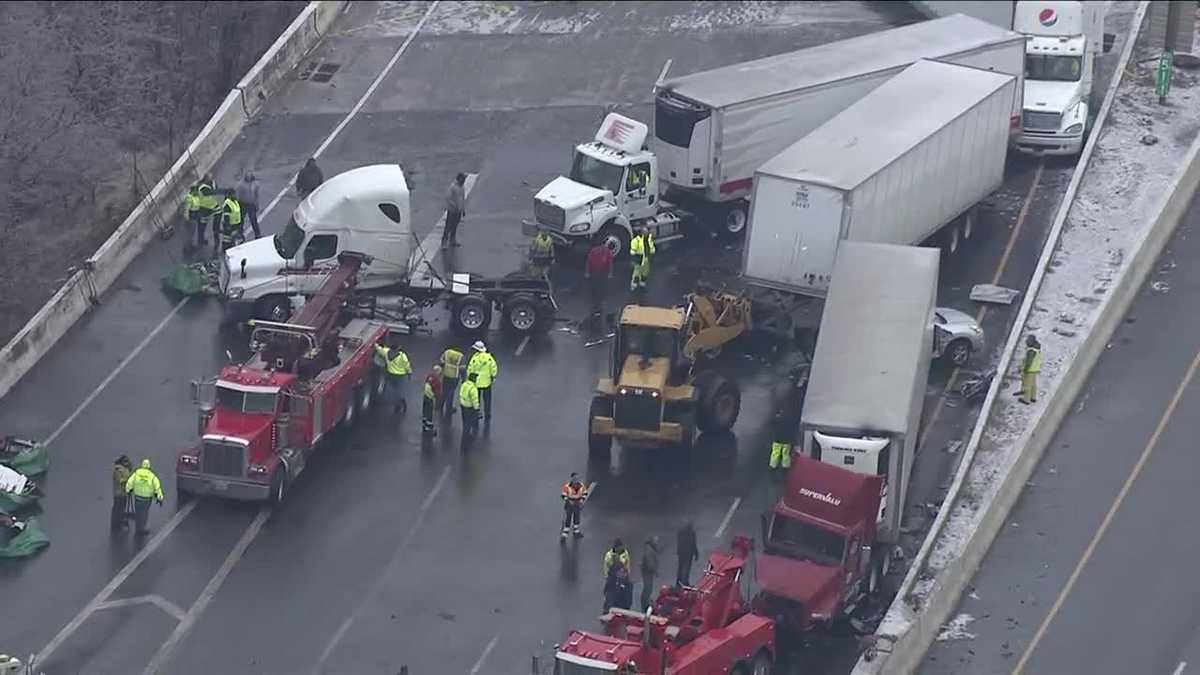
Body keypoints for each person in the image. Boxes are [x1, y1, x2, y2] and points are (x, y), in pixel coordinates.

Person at [125, 459, 164, 536]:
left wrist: (128, 490)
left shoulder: (137, 473)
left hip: (137, 497)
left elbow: (129, 482)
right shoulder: (152, 476)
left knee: (138, 513)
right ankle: (142, 528)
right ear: (149, 466)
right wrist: (160, 498)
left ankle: (138, 527)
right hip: (147, 499)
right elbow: (157, 487)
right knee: (144, 513)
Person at [374, 339, 412, 416]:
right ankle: (401, 403)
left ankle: (398, 404)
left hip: (390, 374)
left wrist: (375, 344)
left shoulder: (386, 352)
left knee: (393, 390)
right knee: (399, 390)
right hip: (400, 375)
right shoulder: (402, 356)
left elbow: (379, 349)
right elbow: (407, 365)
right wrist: (409, 373)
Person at [584, 240, 616, 322]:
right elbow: (588, 261)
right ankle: (595, 303)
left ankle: (600, 303)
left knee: (601, 288)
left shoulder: (607, 252)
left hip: (602, 273)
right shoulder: (594, 251)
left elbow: (610, 263)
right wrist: (587, 272)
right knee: (594, 288)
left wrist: (610, 273)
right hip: (594, 272)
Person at [467, 341, 498, 421]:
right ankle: (487, 414)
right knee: (487, 400)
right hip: (487, 383)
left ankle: (476, 413)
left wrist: (469, 378)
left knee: (477, 399)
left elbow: (470, 370)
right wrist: (493, 376)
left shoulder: (474, 358)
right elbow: (494, 368)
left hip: (476, 383)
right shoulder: (489, 358)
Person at [442, 172, 467, 249]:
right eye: (463, 179)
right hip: (452, 210)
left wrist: (463, 209)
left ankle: (452, 240)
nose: (464, 180)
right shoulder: (453, 187)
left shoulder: (462, 188)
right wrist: (454, 206)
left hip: (458, 211)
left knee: (455, 226)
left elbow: (462, 199)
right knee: (448, 226)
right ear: (459, 179)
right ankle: (444, 242)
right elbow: (448, 198)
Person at [560, 472, 588, 540]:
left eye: (577, 478)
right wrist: (568, 500)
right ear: (572, 478)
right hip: (569, 504)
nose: (576, 479)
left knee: (577, 517)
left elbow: (585, 493)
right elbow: (563, 495)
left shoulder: (581, 485)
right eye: (575, 478)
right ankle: (564, 535)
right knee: (568, 518)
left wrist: (582, 500)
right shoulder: (567, 486)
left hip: (577, 504)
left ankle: (576, 532)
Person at [439, 346, 465, 417]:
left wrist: (441, 370)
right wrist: (463, 379)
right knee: (451, 392)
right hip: (454, 377)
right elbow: (462, 368)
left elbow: (441, 361)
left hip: (446, 375)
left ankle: (440, 406)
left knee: (444, 390)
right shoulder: (460, 356)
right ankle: (449, 408)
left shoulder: (447, 352)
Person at [1016, 334, 1042, 404]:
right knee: (1033, 384)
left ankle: (1026, 399)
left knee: (1027, 384)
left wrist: (1024, 369)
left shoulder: (1031, 351)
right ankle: (1033, 397)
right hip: (1034, 369)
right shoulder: (1037, 349)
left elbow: (1028, 362)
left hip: (1030, 370)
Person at [110, 455, 133, 530]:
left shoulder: (125, 469)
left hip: (123, 493)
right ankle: (115, 523)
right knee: (117, 509)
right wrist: (127, 481)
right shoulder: (118, 469)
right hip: (119, 493)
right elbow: (120, 480)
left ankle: (119, 522)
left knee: (121, 508)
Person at [236, 172, 262, 238]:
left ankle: (257, 234)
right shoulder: (241, 184)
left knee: (253, 220)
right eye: (248, 176)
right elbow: (238, 194)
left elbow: (256, 195)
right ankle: (240, 233)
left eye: (250, 176)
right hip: (243, 203)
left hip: (251, 204)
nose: (249, 177)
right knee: (241, 219)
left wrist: (257, 205)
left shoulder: (255, 184)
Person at [629, 226, 655, 292]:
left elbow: (651, 245)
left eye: (647, 232)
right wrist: (633, 256)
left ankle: (642, 282)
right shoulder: (636, 240)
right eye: (645, 232)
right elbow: (633, 250)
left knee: (645, 271)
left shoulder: (649, 239)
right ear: (641, 233)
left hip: (647, 257)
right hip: (639, 257)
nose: (647, 233)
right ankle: (634, 284)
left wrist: (652, 250)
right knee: (637, 272)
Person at [422, 364, 443, 436]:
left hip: (426, 395)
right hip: (431, 397)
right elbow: (437, 391)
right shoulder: (437, 380)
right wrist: (438, 400)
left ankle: (424, 423)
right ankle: (429, 427)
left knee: (425, 410)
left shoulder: (429, 376)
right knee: (431, 412)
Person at [676, 520, 698, 586]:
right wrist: (696, 553)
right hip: (688, 553)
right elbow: (693, 543)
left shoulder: (680, 531)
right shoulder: (692, 533)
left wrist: (678, 551)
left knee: (680, 567)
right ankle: (685, 582)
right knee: (687, 568)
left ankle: (678, 581)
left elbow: (679, 542)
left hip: (681, 553)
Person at [640, 536, 660, 611]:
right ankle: (645, 604)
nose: (657, 543)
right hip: (647, 572)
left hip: (647, 572)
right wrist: (655, 571)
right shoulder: (649, 551)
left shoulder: (650, 549)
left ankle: (645, 602)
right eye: (656, 541)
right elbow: (650, 563)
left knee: (648, 588)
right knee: (648, 588)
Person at [459, 372, 481, 437]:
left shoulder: (464, 384)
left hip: (463, 405)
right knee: (468, 423)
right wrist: (477, 408)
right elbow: (475, 400)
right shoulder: (473, 388)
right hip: (469, 407)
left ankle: (465, 433)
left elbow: (460, 393)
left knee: (464, 420)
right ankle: (466, 436)